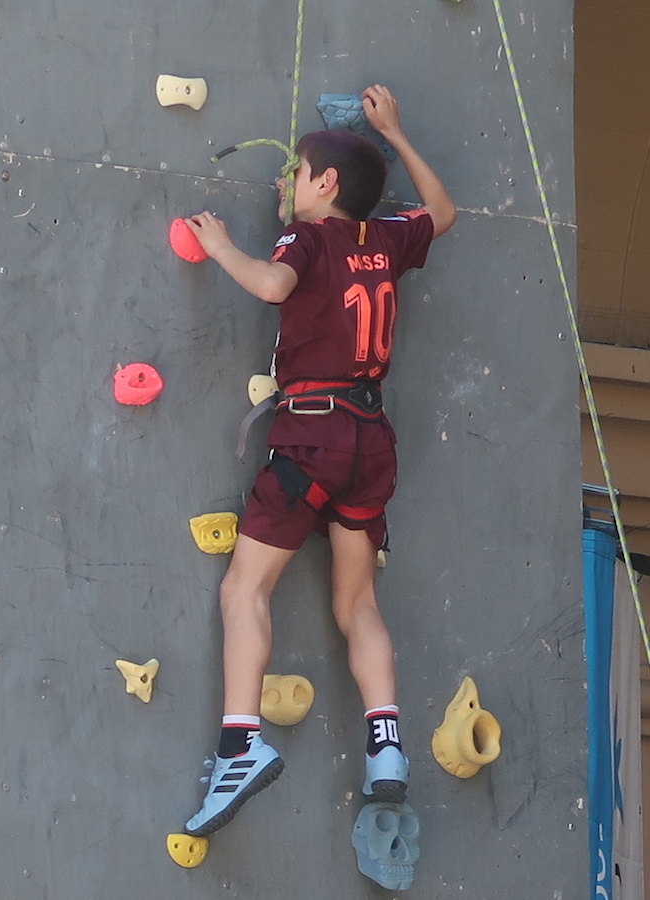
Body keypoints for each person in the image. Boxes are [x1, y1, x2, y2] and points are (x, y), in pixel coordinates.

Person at [180, 84, 456, 837]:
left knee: (244, 589)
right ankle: (386, 748)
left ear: (326, 184)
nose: (288, 184)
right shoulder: (386, 237)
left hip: (311, 434)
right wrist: (396, 133)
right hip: (371, 441)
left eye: (297, 173)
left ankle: (239, 746)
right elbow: (443, 211)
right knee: (357, 604)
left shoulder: (305, 241)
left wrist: (220, 246)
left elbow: (275, 285)